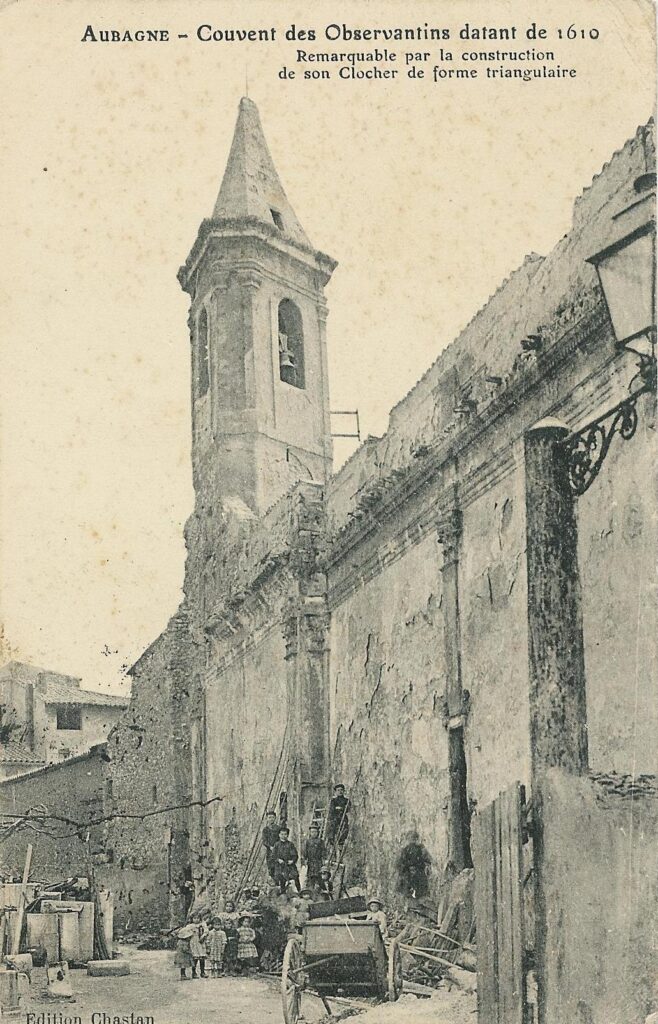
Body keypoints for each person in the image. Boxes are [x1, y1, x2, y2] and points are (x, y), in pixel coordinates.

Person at [396, 830, 432, 898]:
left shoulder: (421, 849)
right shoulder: (404, 850)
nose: (412, 840)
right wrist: (404, 869)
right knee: (406, 890)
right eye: (410, 838)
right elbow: (399, 863)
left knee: (421, 891)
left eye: (414, 838)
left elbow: (428, 859)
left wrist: (426, 866)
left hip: (419, 872)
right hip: (408, 874)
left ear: (416, 839)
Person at [273, 825, 301, 895]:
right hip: (280, 865)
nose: (283, 836)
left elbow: (295, 855)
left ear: (287, 835)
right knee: (281, 878)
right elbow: (273, 855)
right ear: (279, 835)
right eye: (282, 834)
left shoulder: (290, 844)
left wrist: (292, 861)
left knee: (295, 876)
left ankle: (299, 891)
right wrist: (278, 860)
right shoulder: (277, 845)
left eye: (285, 834)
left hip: (289, 865)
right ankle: (283, 893)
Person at [303, 822, 326, 892]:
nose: (314, 833)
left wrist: (323, 859)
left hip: (318, 861)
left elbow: (323, 851)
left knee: (319, 876)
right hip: (310, 861)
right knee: (310, 876)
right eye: (312, 832)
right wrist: (305, 859)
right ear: (310, 832)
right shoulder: (308, 841)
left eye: (315, 832)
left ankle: (324, 890)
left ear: (318, 832)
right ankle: (311, 890)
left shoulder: (320, 841)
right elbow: (305, 851)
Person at [326, 784, 350, 849]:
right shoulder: (333, 801)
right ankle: (332, 843)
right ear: (335, 792)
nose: (340, 792)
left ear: (344, 791)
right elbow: (332, 809)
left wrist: (341, 808)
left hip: (343, 817)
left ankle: (341, 843)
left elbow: (348, 808)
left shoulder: (346, 800)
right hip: (335, 817)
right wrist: (338, 809)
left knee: (344, 829)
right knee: (332, 827)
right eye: (338, 790)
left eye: (341, 790)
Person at [220, 899, 239, 974]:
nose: (228, 908)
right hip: (225, 934)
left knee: (233, 955)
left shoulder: (235, 915)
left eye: (230, 906)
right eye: (227, 906)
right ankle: (225, 969)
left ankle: (232, 969)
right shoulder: (222, 914)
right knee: (225, 955)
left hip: (232, 937)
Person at [189, 912, 208, 978]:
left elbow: (206, 931)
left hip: (201, 942)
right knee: (195, 957)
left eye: (198, 918)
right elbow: (186, 932)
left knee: (202, 957)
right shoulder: (190, 926)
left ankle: (202, 972)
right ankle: (194, 972)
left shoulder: (203, 925)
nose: (196, 920)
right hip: (194, 942)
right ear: (192, 919)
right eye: (194, 918)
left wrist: (203, 936)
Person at [262, 811, 280, 882]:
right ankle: (273, 883)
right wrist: (270, 847)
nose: (271, 819)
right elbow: (264, 841)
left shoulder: (278, 828)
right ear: (267, 819)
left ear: (275, 818)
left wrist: (276, 847)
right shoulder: (265, 830)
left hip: (278, 851)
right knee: (271, 867)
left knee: (278, 867)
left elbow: (280, 839)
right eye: (269, 817)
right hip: (270, 852)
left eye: (272, 817)